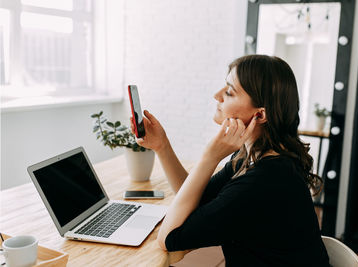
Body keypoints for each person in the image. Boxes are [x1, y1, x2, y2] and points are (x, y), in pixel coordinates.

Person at [131, 55, 330, 266]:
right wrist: (162, 147)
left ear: (260, 115)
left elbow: (169, 238)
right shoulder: (253, 156)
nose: (217, 96)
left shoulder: (264, 180)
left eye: (229, 91)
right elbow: (195, 196)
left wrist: (211, 156)